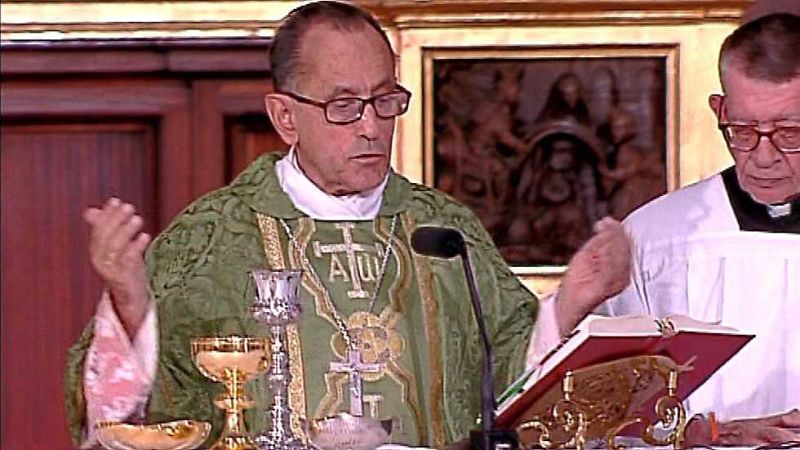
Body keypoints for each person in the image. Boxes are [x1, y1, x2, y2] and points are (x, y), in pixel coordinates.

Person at [64, 1, 630, 447]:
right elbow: (127, 422)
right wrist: (132, 308)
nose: (372, 127)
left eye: (385, 100)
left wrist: (568, 304)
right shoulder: (214, 236)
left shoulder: (443, 229)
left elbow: (508, 382)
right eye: (344, 106)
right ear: (285, 117)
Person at [600, 12, 800, 446]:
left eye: (790, 132)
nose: (763, 157)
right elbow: (602, 411)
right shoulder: (656, 238)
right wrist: (700, 435)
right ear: (719, 110)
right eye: (742, 129)